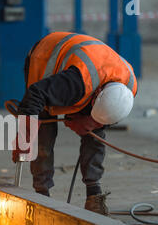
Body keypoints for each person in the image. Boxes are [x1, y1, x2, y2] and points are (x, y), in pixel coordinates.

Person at [12, 32, 138, 215]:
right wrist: (25, 137)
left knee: (96, 137)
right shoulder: (75, 83)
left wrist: (91, 124)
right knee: (43, 132)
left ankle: (94, 195)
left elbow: (105, 117)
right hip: (45, 57)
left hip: (88, 70)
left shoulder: (128, 90)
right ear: (94, 97)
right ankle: (42, 196)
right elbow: (35, 95)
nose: (91, 124)